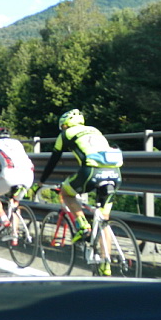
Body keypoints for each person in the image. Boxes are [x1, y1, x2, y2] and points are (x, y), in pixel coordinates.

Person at [32, 109, 123, 276]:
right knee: (104, 219)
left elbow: (54, 160)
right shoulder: (95, 130)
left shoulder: (65, 134)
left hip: (91, 172)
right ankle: (106, 264)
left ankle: (82, 226)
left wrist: (41, 181)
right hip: (115, 173)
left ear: (64, 125)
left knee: (66, 193)